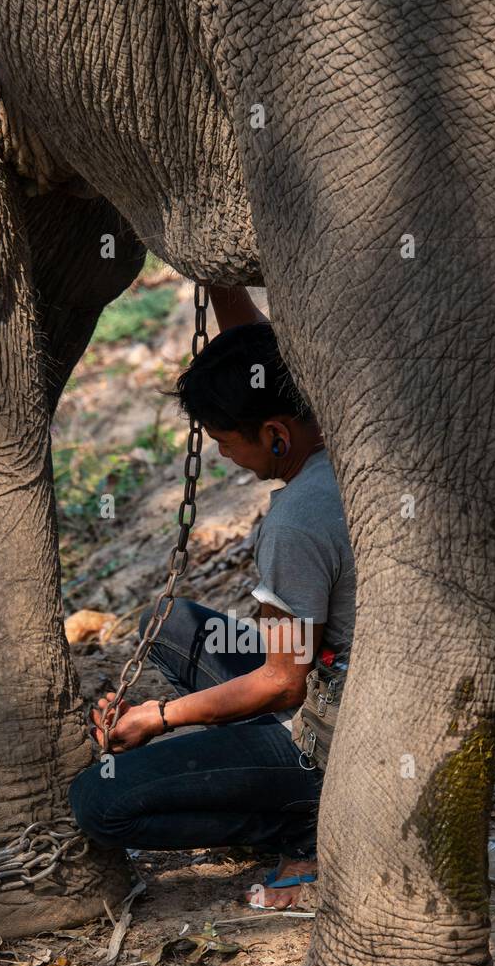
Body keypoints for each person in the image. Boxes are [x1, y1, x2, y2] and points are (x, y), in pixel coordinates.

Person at [68, 286, 355, 908]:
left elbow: (284, 686)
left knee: (99, 802)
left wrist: (160, 717)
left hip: (333, 738)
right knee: (168, 623)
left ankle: (299, 822)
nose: (222, 455)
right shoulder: (341, 422)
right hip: (339, 675)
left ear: (275, 434)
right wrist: (219, 277)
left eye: (227, 440)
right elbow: (262, 351)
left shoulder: (298, 523)